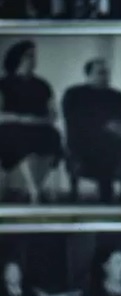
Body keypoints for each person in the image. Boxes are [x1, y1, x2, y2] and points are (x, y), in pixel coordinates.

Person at [61, 58, 121, 203]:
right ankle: (106, 194)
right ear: (88, 75)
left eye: (107, 73)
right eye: (101, 73)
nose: (105, 76)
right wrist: (106, 126)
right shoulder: (75, 95)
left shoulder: (117, 96)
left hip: (114, 142)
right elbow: (74, 122)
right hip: (85, 142)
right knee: (106, 148)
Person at [0, 40, 63, 203]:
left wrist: (45, 119)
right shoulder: (4, 83)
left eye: (34, 56)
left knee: (53, 136)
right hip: (11, 126)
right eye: (29, 56)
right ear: (18, 58)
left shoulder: (42, 84)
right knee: (24, 139)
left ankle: (34, 188)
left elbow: (53, 111)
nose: (33, 60)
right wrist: (22, 118)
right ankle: (34, 190)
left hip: (39, 126)